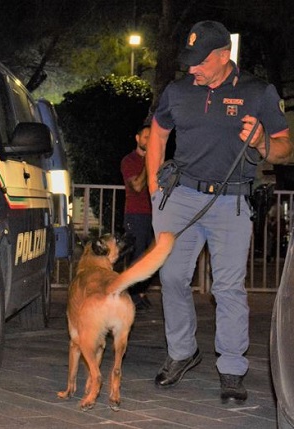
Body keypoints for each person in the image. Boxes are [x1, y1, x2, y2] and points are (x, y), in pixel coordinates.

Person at [146, 20, 293, 403]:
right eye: (188, 60)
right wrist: (152, 189)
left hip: (232, 200)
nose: (191, 68)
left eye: (199, 62)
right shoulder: (177, 91)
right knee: (173, 278)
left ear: (224, 56)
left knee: (228, 287)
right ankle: (182, 353)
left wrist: (261, 141)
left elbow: (284, 148)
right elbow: (158, 133)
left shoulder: (258, 92)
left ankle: (231, 368)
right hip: (179, 198)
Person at [120, 123, 154, 310]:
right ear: (137, 138)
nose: (149, 141)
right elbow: (138, 186)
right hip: (136, 214)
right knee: (137, 255)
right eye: (146, 137)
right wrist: (149, 162)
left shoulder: (156, 159)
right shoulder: (129, 161)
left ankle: (140, 292)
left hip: (154, 215)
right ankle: (132, 296)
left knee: (154, 255)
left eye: (152, 138)